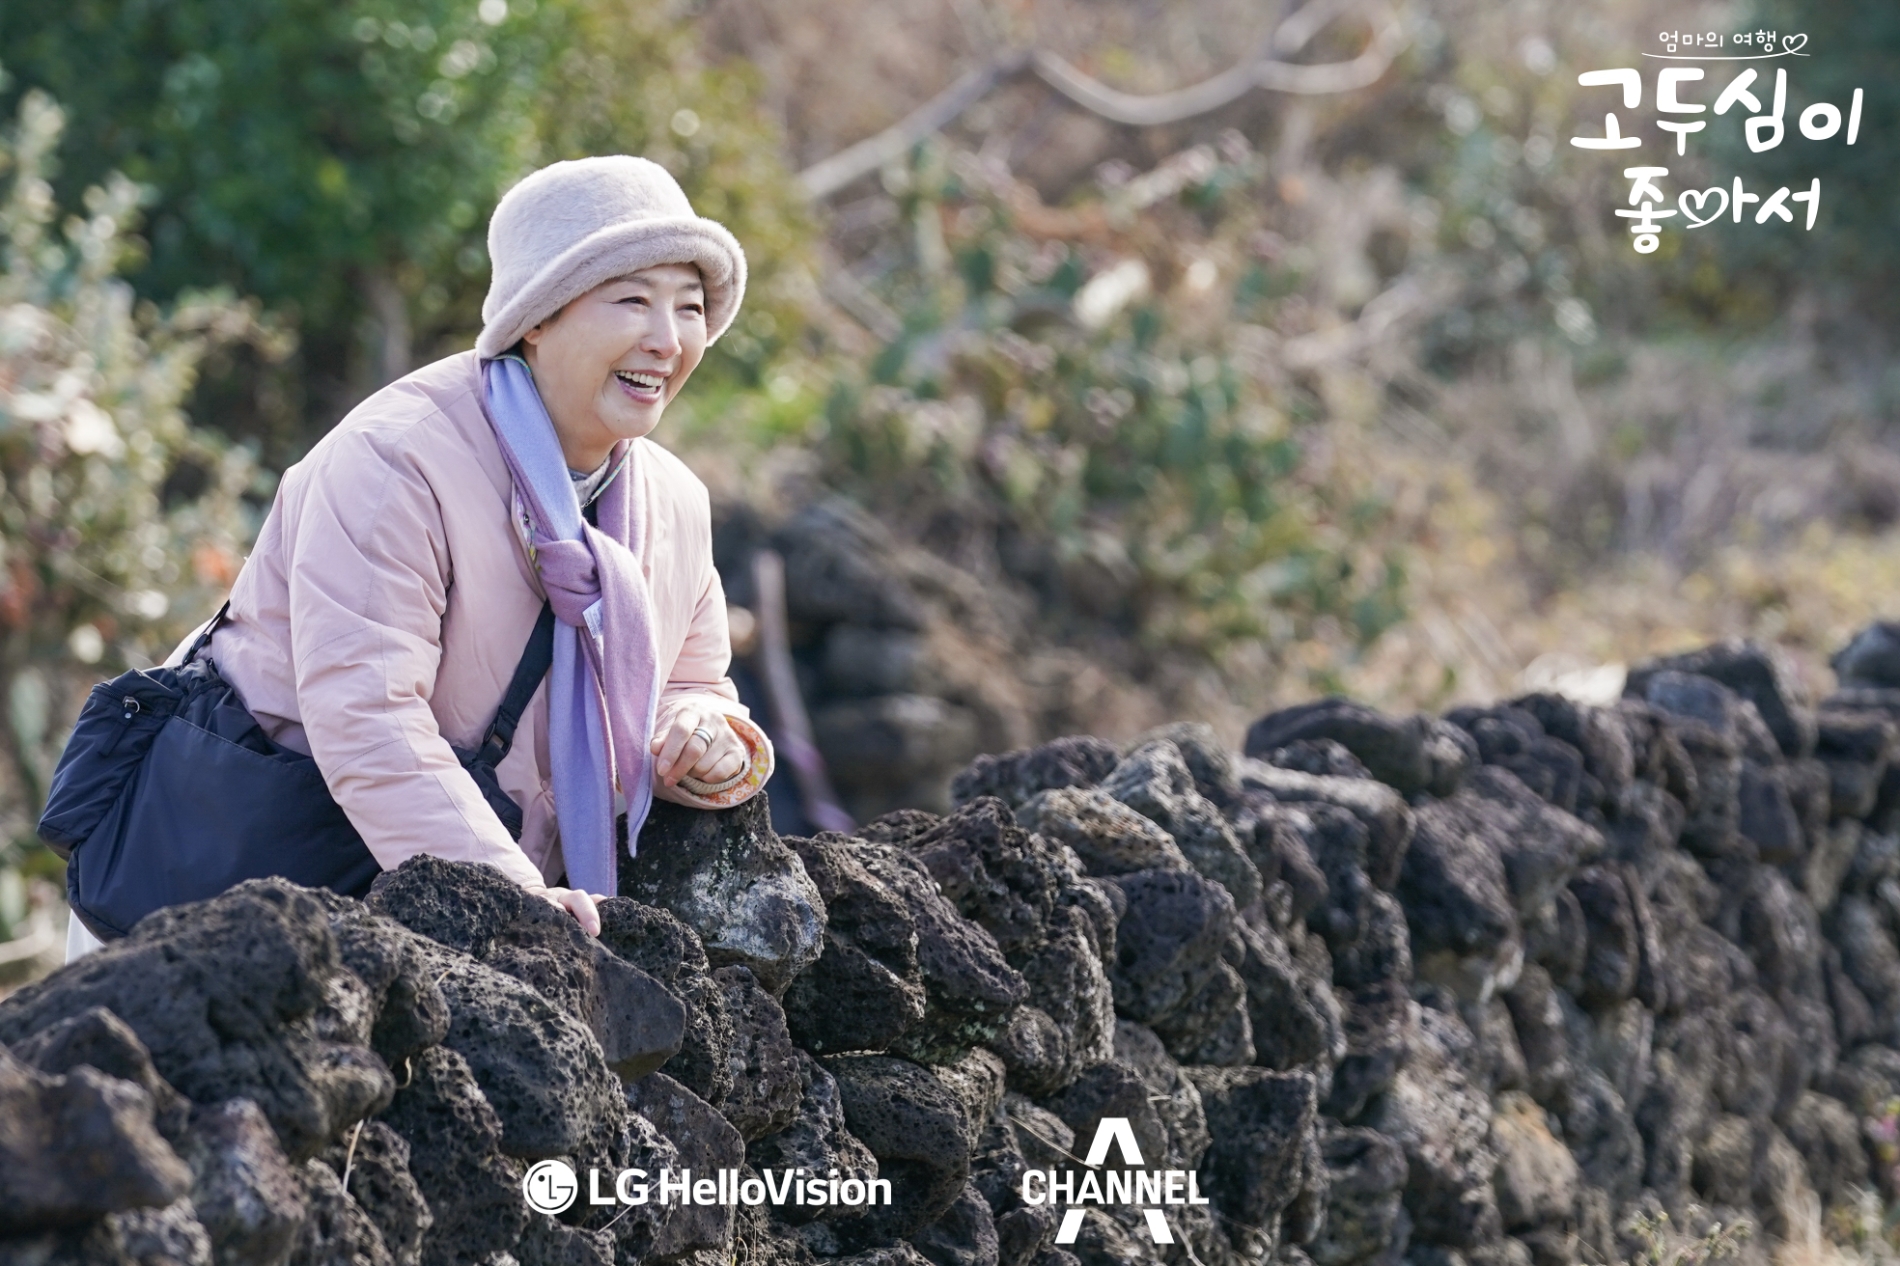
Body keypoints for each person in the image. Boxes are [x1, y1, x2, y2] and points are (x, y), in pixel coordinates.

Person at [65, 156, 774, 962]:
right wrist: (512, 901)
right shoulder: (394, 460)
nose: (667, 338)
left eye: (689, 308)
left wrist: (705, 737)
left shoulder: (672, 504)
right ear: (535, 319)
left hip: (452, 922)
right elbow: (367, 715)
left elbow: (693, 684)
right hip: (230, 896)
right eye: (632, 301)